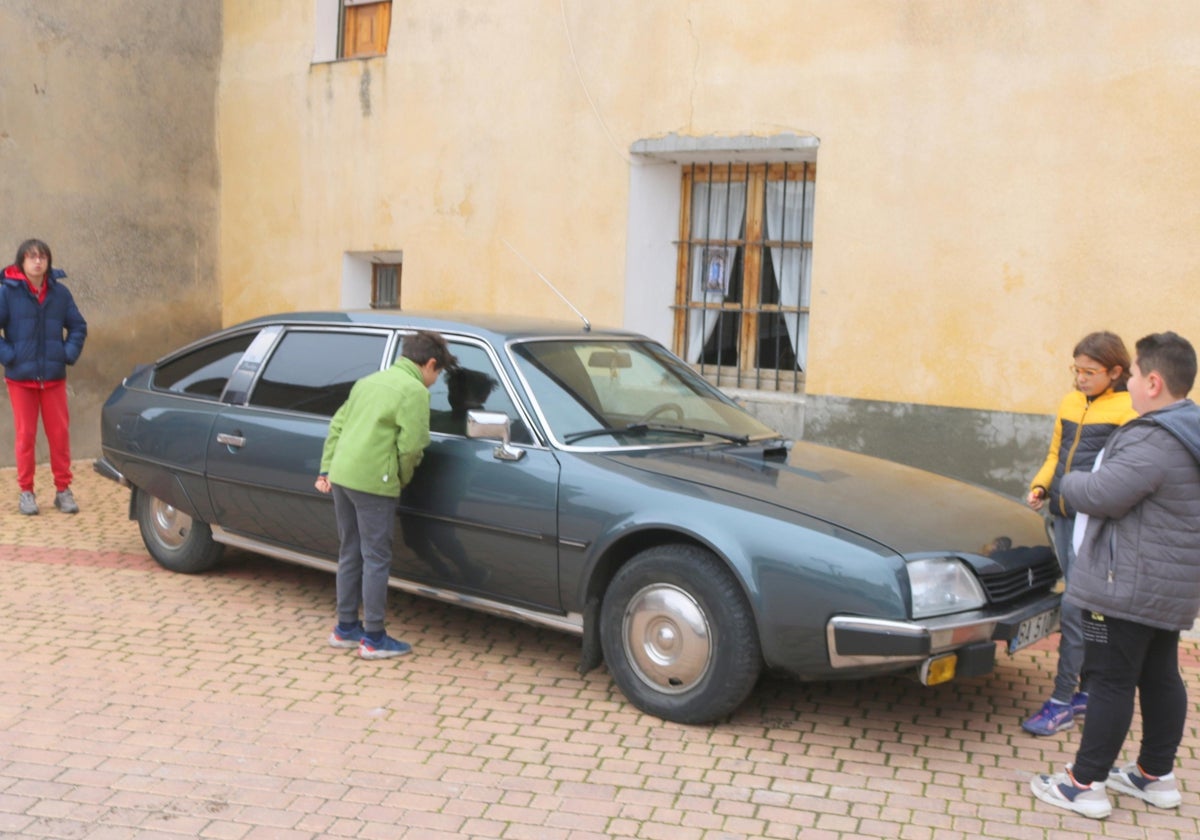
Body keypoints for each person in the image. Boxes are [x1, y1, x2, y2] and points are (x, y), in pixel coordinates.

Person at [1031, 331, 1200, 819]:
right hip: (1166, 586)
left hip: (1123, 587)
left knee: (1109, 680)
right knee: (1160, 674)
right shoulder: (1188, 429)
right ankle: (1154, 775)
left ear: (1153, 381)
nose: (1126, 385)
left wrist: (1070, 479)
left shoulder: (1155, 437)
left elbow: (1101, 493)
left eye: (1132, 376)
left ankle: (1084, 784)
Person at [1022, 331, 1138, 736]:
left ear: (1116, 371)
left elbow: (1121, 473)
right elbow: (1056, 454)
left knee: (1076, 610)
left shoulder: (1128, 410)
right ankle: (1085, 692)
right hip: (1063, 517)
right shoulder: (1071, 402)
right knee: (1082, 610)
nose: (1081, 379)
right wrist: (1041, 486)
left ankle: (1062, 701)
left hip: (1096, 526)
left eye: (1090, 372)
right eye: (1077, 370)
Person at [314, 330, 455, 660]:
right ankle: (374, 637)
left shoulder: (369, 381)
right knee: (376, 557)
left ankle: (346, 629)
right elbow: (413, 446)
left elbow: (337, 425)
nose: (436, 381)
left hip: (343, 475)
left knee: (350, 551)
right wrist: (400, 479)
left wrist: (326, 469)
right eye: (438, 373)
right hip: (373, 481)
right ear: (430, 364)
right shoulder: (414, 391)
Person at [0, 239, 88, 516]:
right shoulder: (7, 293)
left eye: (42, 257)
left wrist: (66, 353)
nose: (37, 262)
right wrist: (9, 355)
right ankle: (26, 492)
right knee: (26, 436)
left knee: (59, 435)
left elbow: (78, 327)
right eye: (31, 257)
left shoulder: (60, 294)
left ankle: (63, 490)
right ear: (21, 262)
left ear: (48, 261)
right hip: (21, 378)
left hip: (52, 377)